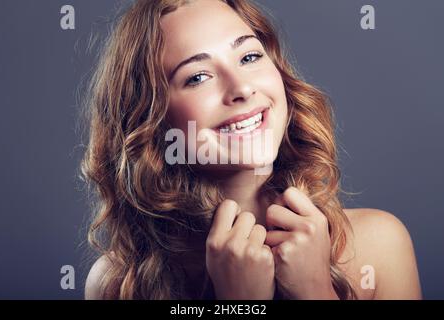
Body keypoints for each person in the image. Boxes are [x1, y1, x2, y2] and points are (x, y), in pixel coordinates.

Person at [81, 0, 421, 300]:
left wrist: (315, 289)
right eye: (198, 77)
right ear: (152, 120)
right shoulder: (117, 284)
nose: (241, 87)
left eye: (249, 56)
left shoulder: (378, 246)